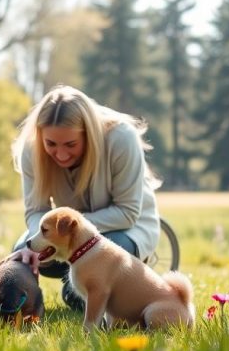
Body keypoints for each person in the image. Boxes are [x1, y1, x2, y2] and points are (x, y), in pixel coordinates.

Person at [11, 84, 161, 311]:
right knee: (21, 253)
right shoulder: (31, 150)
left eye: (71, 144)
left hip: (126, 229)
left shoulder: (121, 138)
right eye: (51, 144)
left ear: (89, 133)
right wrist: (37, 241)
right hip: (66, 233)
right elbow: (35, 212)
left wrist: (74, 228)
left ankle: (93, 286)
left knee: (82, 289)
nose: (60, 154)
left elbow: (127, 213)